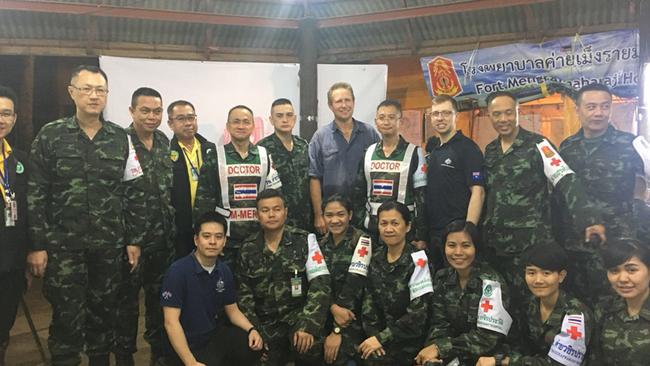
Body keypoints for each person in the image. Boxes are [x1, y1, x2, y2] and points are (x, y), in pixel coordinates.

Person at [26, 65, 146, 366]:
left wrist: (133, 239)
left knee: (104, 313)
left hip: (109, 246)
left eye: (100, 90)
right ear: (72, 93)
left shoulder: (121, 138)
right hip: (64, 247)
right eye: (87, 89)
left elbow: (132, 191)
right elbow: (36, 192)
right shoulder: (51, 135)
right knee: (66, 316)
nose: (94, 96)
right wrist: (37, 244)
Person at [482, 91, 604, 309]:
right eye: (497, 114)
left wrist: (588, 218)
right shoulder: (490, 151)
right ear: (489, 115)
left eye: (509, 113)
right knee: (505, 302)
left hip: (531, 244)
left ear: (518, 112)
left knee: (535, 303)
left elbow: (566, 179)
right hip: (499, 245)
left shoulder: (539, 144)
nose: (503, 119)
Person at [555, 83, 645, 303]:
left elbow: (642, 181)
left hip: (616, 240)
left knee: (615, 301)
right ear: (578, 109)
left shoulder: (629, 144)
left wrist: (636, 212)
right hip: (576, 242)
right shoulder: (567, 147)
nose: (598, 113)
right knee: (578, 300)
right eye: (591, 107)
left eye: (605, 106)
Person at [113, 87, 176, 365]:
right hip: (131, 243)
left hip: (163, 241)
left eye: (157, 111)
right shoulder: (119, 142)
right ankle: (125, 356)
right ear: (132, 111)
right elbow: (113, 194)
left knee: (159, 301)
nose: (152, 117)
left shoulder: (163, 141)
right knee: (126, 305)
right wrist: (129, 238)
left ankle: (158, 354)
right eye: (145, 111)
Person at [237, 189, 331, 365]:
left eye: (277, 209)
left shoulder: (305, 240)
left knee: (311, 348)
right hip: (265, 324)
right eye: (265, 210)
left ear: (286, 212)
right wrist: (255, 330)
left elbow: (321, 285)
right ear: (257, 215)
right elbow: (244, 297)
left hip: (298, 319)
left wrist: (308, 325)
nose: (271, 215)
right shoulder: (248, 248)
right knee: (252, 353)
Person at [160, 212, 262, 366]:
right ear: (196, 240)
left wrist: (252, 330)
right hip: (185, 344)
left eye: (218, 236)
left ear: (224, 241)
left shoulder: (224, 270)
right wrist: (190, 363)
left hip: (212, 337)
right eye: (206, 236)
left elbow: (232, 310)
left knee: (250, 345)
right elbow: (170, 322)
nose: (212, 242)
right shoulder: (177, 271)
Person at [477, 242, 593, 366]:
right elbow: (516, 344)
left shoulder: (576, 315)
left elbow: (559, 365)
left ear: (561, 276)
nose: (538, 280)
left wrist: (503, 361)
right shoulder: (528, 304)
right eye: (531, 273)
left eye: (546, 273)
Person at [194, 105, 281, 270]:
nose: (241, 126)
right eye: (236, 122)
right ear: (227, 126)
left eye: (246, 122)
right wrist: (207, 238)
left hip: (258, 238)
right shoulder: (215, 156)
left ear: (253, 126)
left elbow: (275, 197)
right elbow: (203, 202)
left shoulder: (264, 156)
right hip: (226, 241)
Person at [415, 220, 511, 365]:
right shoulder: (442, 277)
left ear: (476, 248)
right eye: (451, 245)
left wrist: (440, 348)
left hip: (485, 358)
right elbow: (439, 324)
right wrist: (434, 354)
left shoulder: (491, 283)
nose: (458, 252)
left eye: (466, 245)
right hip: (452, 354)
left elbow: (487, 338)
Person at [359, 200, 433, 366]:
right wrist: (374, 336)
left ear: (407, 226)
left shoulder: (419, 260)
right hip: (379, 341)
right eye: (383, 223)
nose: (389, 229)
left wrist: (381, 338)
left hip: (409, 343)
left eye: (395, 223)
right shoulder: (375, 257)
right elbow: (368, 304)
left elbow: (417, 315)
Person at [352, 99, 427, 247]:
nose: (386, 122)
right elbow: (358, 194)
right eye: (382, 117)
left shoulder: (415, 153)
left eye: (391, 117)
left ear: (401, 121)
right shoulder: (368, 153)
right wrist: (362, 223)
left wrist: (421, 234)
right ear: (376, 122)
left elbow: (422, 198)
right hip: (372, 229)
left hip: (404, 232)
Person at [309, 82, 380, 234]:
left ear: (353, 102)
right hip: (333, 216)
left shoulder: (370, 133)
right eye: (338, 101)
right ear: (330, 105)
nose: (344, 105)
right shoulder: (320, 137)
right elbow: (314, 178)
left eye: (347, 100)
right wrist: (318, 215)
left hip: (365, 214)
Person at [424, 95, 485, 271]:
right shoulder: (435, 150)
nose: (440, 118)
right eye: (436, 114)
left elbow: (478, 192)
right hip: (435, 235)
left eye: (445, 113)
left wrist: (468, 230)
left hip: (458, 236)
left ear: (455, 116)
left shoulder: (468, 149)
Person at [319, 194, 370, 365]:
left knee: (340, 356)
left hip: (354, 318)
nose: (335, 220)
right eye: (329, 215)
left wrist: (337, 331)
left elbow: (353, 287)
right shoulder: (320, 245)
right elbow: (318, 284)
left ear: (350, 215)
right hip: (327, 312)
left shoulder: (362, 241)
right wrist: (333, 307)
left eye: (340, 214)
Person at [0, 85, 29, 366]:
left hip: (10, 262)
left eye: (6, 113)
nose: (1, 119)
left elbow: (28, 210)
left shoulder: (18, 160)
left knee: (4, 324)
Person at [589, 238, 650, 365]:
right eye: (614, 271)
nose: (622, 279)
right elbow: (595, 359)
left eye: (632, 270)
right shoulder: (604, 309)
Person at [168, 100, 217, 259]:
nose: (188, 123)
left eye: (191, 117)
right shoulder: (166, 152)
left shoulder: (210, 149)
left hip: (208, 225)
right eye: (181, 119)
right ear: (170, 123)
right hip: (181, 226)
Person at [257, 98, 311, 231]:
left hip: (306, 218)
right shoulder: (262, 148)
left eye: (289, 115)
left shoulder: (303, 145)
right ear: (271, 120)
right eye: (279, 116)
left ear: (295, 118)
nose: (285, 120)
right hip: (276, 220)